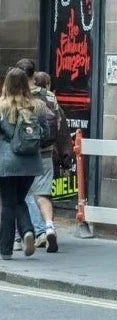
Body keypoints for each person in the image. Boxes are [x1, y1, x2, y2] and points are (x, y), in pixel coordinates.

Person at [0, 67, 46, 260]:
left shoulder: (2, 106)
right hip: (31, 163)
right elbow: (44, 132)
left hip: (7, 163)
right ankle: (28, 231)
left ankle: (6, 249)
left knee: (9, 204)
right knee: (20, 200)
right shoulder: (37, 106)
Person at [28, 71, 71, 253]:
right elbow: (61, 130)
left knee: (26, 194)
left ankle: (36, 232)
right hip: (47, 153)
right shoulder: (51, 99)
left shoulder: (16, 96)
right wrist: (66, 160)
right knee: (43, 194)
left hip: (25, 153)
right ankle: (48, 227)